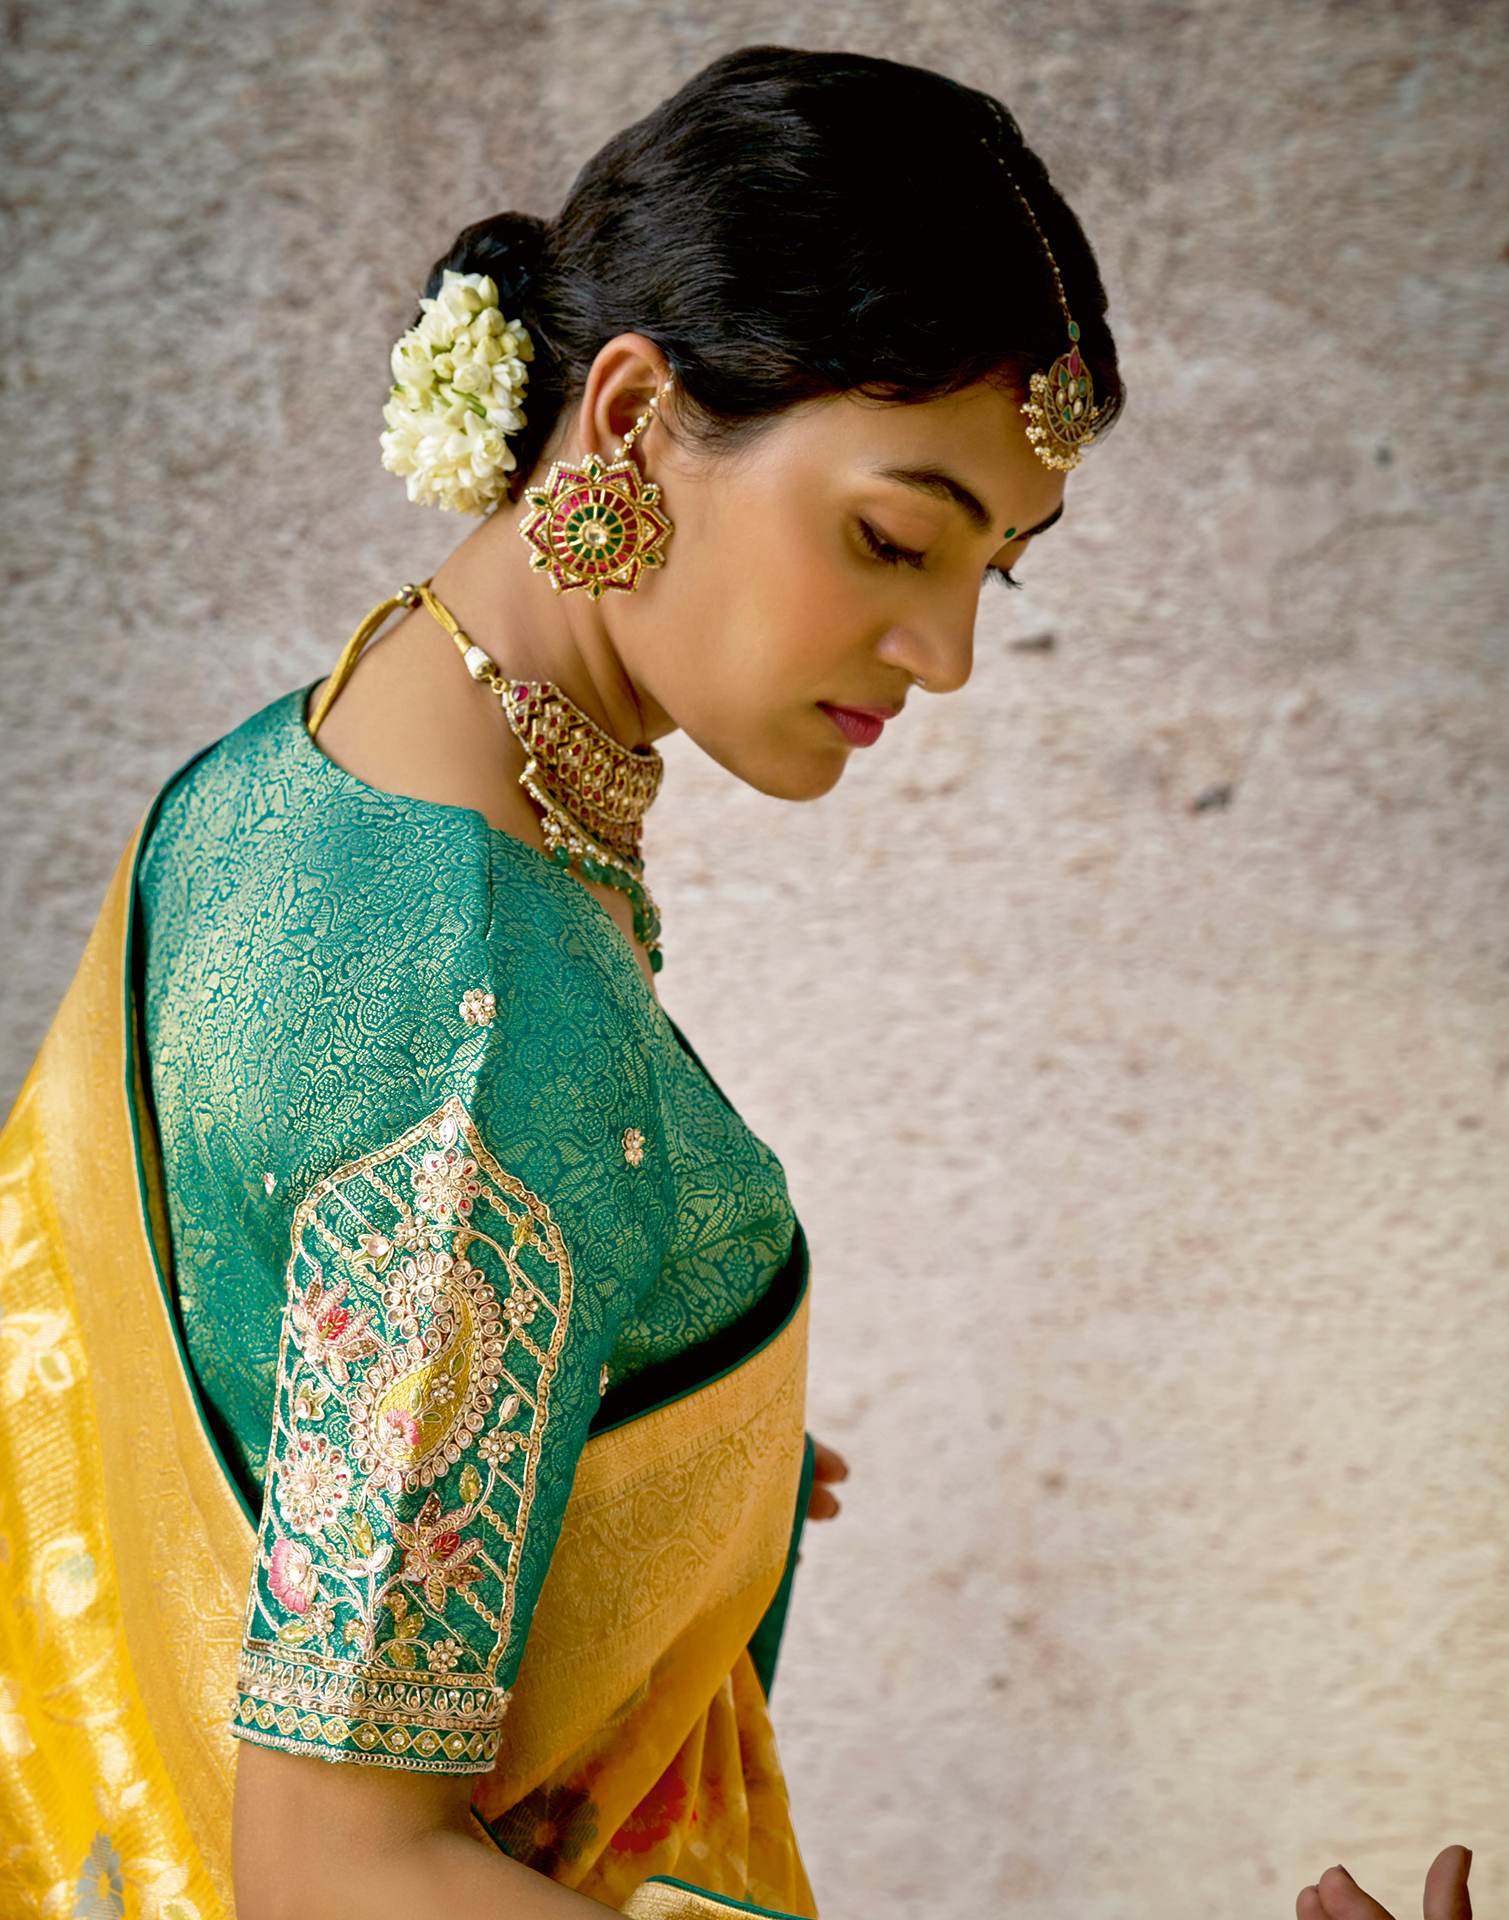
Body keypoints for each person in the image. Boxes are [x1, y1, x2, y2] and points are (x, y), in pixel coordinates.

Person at [0, 40, 1473, 1920]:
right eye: (892, 537)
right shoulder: (484, 1037)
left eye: (992, 575)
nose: (939, 653)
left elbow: (257, 1299)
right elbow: (333, 1872)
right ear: (623, 417)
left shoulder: (310, 761)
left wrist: (652, 1453)